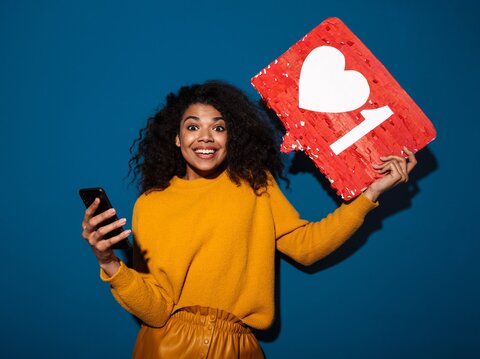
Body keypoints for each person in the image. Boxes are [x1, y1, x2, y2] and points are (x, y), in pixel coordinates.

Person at [81, 81, 416, 358]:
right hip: (167, 347)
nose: (206, 137)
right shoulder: (151, 204)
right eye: (193, 127)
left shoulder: (255, 185)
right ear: (176, 138)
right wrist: (108, 261)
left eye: (219, 127)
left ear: (231, 137)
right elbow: (155, 310)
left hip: (239, 347)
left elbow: (306, 247)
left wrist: (370, 194)